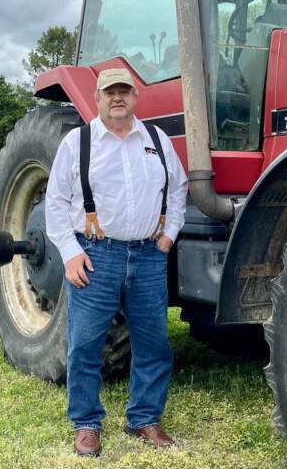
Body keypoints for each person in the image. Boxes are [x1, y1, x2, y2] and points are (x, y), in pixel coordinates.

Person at [45, 67, 188, 457]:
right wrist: (71, 252)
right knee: (86, 345)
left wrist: (170, 233)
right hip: (96, 257)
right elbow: (56, 202)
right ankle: (87, 423)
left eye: (124, 91)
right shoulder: (79, 143)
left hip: (147, 257)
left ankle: (145, 418)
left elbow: (178, 189)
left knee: (154, 343)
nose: (117, 98)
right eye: (110, 92)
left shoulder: (157, 140)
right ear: (97, 97)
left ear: (135, 97)